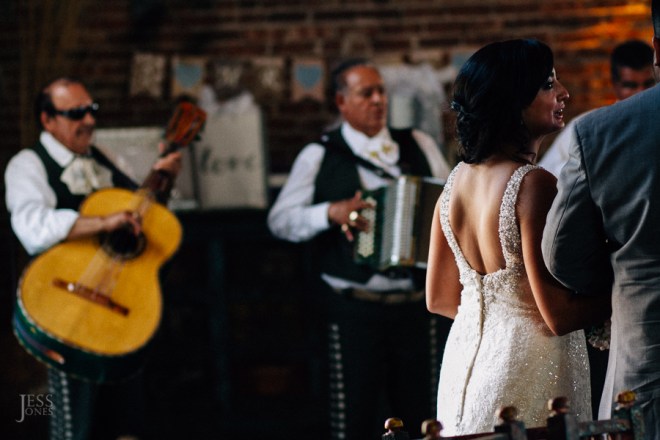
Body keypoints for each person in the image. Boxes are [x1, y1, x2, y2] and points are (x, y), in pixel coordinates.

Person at [425, 39, 611, 436]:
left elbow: (438, 298)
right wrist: (629, 290)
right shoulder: (533, 185)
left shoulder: (454, 183)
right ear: (513, 102)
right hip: (529, 369)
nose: (564, 93)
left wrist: (497, 324)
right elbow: (558, 315)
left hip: (464, 366)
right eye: (548, 84)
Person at [268, 59, 452, 439]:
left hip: (416, 306)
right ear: (341, 102)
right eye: (366, 93)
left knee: (425, 416)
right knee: (353, 417)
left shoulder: (417, 143)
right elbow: (280, 220)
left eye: (381, 91)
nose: (378, 100)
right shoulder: (320, 154)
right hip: (353, 308)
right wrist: (329, 212)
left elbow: (451, 199)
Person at [5, 77, 182, 440]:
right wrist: (102, 222)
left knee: (127, 421)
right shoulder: (28, 164)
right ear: (47, 120)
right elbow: (31, 228)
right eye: (76, 113)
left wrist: (163, 181)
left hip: (121, 305)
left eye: (91, 110)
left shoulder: (103, 157)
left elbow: (140, 216)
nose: (88, 120)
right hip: (65, 305)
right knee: (75, 423)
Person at [542, 1, 660, 437]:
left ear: (657, 50)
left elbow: (561, 253)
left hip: (648, 348)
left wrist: (621, 275)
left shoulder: (598, 132)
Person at [539, 39, 655, 177]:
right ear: (615, 84)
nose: (641, 93)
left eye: (649, 83)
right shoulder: (586, 128)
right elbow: (547, 174)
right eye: (630, 85)